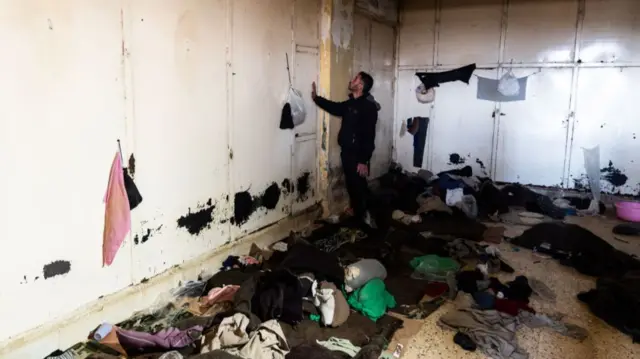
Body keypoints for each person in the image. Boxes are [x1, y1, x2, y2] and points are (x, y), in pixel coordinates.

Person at [312, 72, 381, 227]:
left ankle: (368, 219)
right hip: (347, 153)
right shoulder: (351, 104)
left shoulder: (368, 107)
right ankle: (360, 216)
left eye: (355, 79)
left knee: (359, 187)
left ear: (361, 85)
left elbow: (369, 136)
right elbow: (335, 107)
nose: (351, 80)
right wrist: (317, 98)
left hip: (358, 155)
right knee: (352, 186)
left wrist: (363, 160)